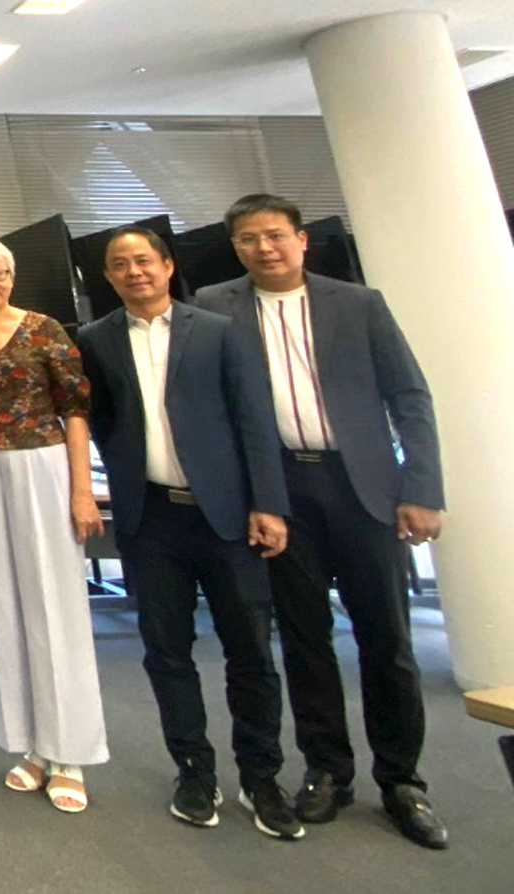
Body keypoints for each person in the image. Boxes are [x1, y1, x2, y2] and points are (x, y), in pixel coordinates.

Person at [194, 193, 448, 849]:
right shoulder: (217, 307)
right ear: (236, 247)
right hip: (278, 488)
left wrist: (421, 486)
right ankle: (328, 771)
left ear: (301, 240)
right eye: (248, 239)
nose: (263, 248)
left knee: (386, 640)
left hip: (362, 485)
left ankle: (401, 781)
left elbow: (410, 397)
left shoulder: (358, 304)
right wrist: (252, 498)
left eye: (274, 235)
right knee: (304, 641)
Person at [77, 225, 302, 840]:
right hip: (151, 519)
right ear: (108, 276)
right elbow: (93, 421)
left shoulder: (220, 333)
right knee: (167, 653)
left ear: (168, 266)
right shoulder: (95, 340)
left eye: (143, 260)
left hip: (226, 516)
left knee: (250, 652)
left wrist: (270, 505)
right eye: (119, 264)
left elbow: (256, 423)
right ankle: (195, 771)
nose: (133, 272)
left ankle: (261, 775)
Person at [0, 236, 108, 814]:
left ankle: (70, 752)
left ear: (13, 275)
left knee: (55, 607)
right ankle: (29, 747)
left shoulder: (46, 331)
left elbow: (75, 411)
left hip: (44, 467)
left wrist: (82, 491)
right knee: (1, 608)